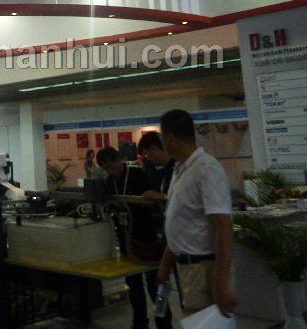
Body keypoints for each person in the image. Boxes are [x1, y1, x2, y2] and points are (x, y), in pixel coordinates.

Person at [157, 109, 236, 317]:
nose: (161, 142)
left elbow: (224, 225)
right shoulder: (180, 169)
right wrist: (165, 264)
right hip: (189, 268)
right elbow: (181, 223)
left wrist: (220, 281)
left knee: (204, 322)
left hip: (204, 268)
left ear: (171, 138)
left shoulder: (206, 168)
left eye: (161, 136)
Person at [97, 147, 171, 329]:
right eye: (106, 168)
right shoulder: (109, 182)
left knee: (157, 285)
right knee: (134, 286)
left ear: (119, 159)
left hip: (148, 239)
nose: (110, 170)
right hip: (127, 242)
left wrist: (132, 205)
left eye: (111, 165)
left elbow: (153, 203)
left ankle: (164, 322)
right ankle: (139, 322)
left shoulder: (138, 174)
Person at [137, 132, 176, 201]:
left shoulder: (178, 169)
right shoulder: (165, 170)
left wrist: (160, 196)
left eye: (147, 154)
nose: (148, 159)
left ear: (153, 149)